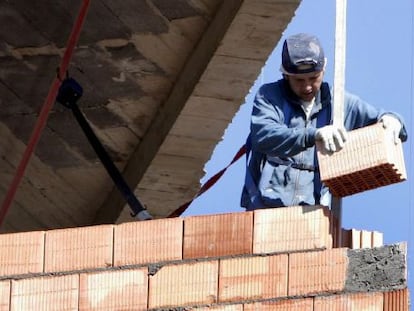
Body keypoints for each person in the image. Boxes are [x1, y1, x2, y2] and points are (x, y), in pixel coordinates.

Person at [241, 33, 408, 210]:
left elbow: (386, 120)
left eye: (313, 78)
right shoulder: (270, 96)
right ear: (285, 75)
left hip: (313, 210)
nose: (306, 87)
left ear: (324, 69)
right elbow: (264, 135)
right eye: (299, 80)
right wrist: (314, 135)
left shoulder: (340, 104)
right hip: (267, 207)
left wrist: (394, 121)